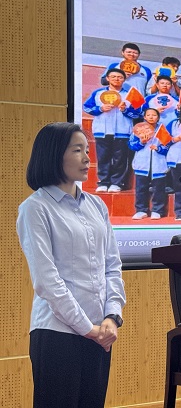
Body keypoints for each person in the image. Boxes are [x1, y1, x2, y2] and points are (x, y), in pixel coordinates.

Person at [17, 122, 126, 408]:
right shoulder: (36, 207)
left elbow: (112, 266)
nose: (87, 158)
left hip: (100, 334)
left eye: (87, 150)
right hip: (57, 334)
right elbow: (46, 280)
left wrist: (112, 317)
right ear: (54, 154)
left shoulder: (97, 205)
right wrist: (86, 328)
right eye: (77, 150)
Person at [83, 67, 141, 193]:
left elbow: (138, 113)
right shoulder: (98, 93)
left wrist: (125, 110)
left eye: (120, 77)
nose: (116, 79)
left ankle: (116, 183)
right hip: (102, 130)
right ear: (108, 78)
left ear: (124, 79)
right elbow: (86, 107)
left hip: (123, 131)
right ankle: (103, 182)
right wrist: (100, 109)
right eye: (113, 77)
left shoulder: (130, 94)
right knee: (103, 157)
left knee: (120, 158)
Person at [129, 108, 169, 220]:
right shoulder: (138, 129)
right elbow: (131, 145)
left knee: (159, 188)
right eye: (148, 115)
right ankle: (141, 210)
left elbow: (168, 146)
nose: (151, 117)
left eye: (154, 115)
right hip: (142, 163)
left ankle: (157, 210)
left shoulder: (162, 129)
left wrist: (159, 148)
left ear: (158, 117)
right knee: (141, 188)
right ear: (144, 117)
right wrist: (141, 142)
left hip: (158, 163)